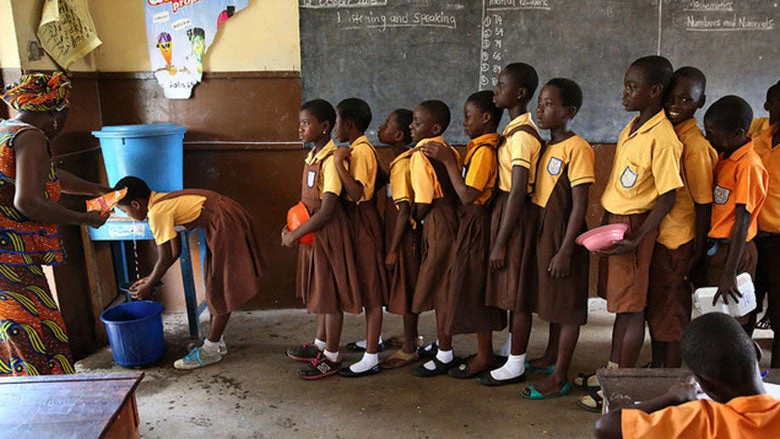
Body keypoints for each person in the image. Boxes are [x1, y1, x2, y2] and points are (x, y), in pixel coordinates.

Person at [577, 56, 683, 412]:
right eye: (625, 85)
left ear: (654, 91)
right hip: (620, 220)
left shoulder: (664, 138)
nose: (624, 93)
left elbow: (668, 195)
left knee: (632, 310)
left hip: (636, 228)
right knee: (621, 307)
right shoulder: (635, 125)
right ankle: (611, 372)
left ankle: (619, 389)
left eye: (631, 87)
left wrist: (638, 238)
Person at [0, 72, 109, 376]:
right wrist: (84, 219)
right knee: (33, 337)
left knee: (20, 335)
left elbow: (48, 178)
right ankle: (47, 409)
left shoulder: (6, 130)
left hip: (14, 261)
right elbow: (29, 201)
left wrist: (99, 190)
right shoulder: (31, 137)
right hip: (10, 262)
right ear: (54, 113)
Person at [114, 176, 265, 370]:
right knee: (214, 281)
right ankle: (216, 342)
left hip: (225, 222)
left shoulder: (157, 212)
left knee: (221, 285)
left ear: (135, 204)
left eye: (125, 211)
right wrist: (149, 279)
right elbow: (174, 252)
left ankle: (211, 350)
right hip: (225, 218)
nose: (128, 216)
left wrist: (150, 284)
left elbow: (164, 256)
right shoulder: (161, 200)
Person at [518, 78, 594, 399]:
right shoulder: (547, 145)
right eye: (540, 102)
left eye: (549, 104)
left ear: (569, 111)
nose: (540, 108)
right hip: (544, 230)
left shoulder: (578, 148)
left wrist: (565, 250)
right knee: (553, 300)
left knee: (567, 308)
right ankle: (551, 356)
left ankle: (560, 376)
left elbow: (579, 206)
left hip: (565, 234)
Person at [421, 90, 504, 378]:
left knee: (476, 289)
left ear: (486, 118)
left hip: (477, 223)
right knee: (469, 287)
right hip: (471, 222)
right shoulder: (477, 146)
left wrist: (448, 162)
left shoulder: (484, 152)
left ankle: (485, 356)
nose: (465, 122)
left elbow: (468, 195)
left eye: (469, 116)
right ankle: (482, 352)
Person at [594, 313, 780, 439]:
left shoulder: (701, 420)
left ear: (705, 386)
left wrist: (673, 397)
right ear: (757, 352)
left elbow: (605, 426)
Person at [283, 99, 360, 379]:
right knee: (320, 291)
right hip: (312, 235)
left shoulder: (331, 159)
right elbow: (307, 204)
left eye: (306, 123)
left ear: (325, 126)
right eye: (300, 122)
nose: (300, 128)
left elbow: (327, 210)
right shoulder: (313, 157)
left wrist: (295, 236)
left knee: (330, 297)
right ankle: (319, 343)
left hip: (328, 236)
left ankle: (332, 354)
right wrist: (292, 227)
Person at [647, 67, 717, 368]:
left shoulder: (696, 147)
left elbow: (703, 205)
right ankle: (658, 366)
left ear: (700, 104)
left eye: (686, 100)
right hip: (661, 237)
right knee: (657, 309)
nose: (675, 105)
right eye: (671, 98)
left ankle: (670, 374)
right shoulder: (665, 134)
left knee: (673, 314)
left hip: (680, 241)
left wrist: (698, 250)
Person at [482, 62, 543, 385]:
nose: (496, 90)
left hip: (515, 213)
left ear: (519, 93)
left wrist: (501, 242)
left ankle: (516, 362)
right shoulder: (512, 131)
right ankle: (511, 348)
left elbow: (518, 191)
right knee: (510, 286)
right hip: (507, 208)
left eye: (501, 85)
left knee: (518, 291)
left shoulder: (521, 137)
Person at [331, 98, 389, 377]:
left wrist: (338, 164)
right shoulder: (359, 148)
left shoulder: (361, 151)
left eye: (338, 123)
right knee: (366, 283)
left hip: (363, 219)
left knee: (371, 289)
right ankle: (372, 339)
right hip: (360, 220)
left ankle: (371, 357)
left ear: (349, 124)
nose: (334, 129)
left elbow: (356, 193)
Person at [698, 96, 768, 327]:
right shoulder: (726, 157)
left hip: (736, 251)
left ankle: (739, 358)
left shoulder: (748, 166)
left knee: (734, 316)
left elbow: (742, 222)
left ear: (737, 134)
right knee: (717, 313)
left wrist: (730, 272)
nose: (708, 138)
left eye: (713, 134)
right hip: (720, 248)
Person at [407, 100, 461, 377]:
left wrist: (412, 218)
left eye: (417, 122)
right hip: (453, 220)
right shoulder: (449, 150)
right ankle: (443, 344)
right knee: (445, 284)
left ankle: (445, 353)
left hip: (437, 222)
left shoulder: (420, 154)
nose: (411, 126)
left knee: (440, 286)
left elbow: (424, 200)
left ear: (435, 128)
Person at [379, 109, 425, 369]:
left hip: (403, 237)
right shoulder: (398, 161)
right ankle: (411, 336)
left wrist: (393, 250)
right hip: (397, 232)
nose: (380, 128)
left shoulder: (405, 163)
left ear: (398, 135)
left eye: (386, 125)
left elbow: (404, 210)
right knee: (404, 287)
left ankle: (409, 348)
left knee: (406, 288)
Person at [752, 82, 780, 361]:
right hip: (750, 235)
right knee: (747, 305)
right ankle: (740, 367)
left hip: (778, 238)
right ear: (768, 105)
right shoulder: (757, 132)